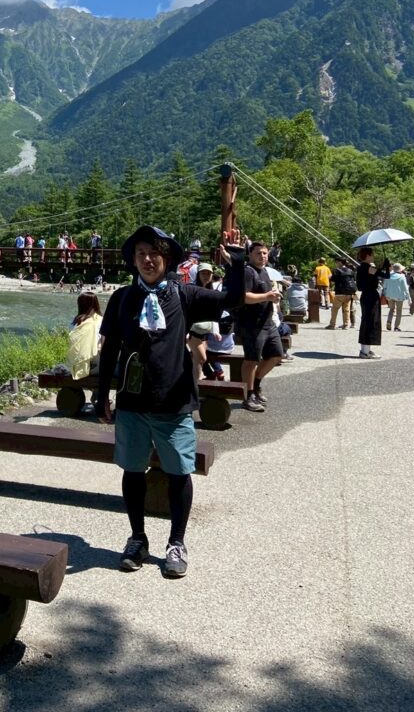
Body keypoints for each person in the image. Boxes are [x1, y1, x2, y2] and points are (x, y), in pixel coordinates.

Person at [97, 225, 244, 578]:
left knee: (179, 473)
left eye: (154, 254)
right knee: (133, 471)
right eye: (141, 254)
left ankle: (176, 542)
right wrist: (101, 395)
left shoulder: (184, 295)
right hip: (132, 403)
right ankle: (137, 538)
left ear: (166, 259)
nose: (147, 260)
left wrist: (237, 264)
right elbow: (110, 350)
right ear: (133, 261)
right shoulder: (122, 298)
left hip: (174, 402)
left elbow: (233, 300)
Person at [238, 241, 286, 412]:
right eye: (258, 253)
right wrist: (267, 296)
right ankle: (248, 395)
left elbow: (266, 294)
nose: (262, 256)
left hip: (268, 322)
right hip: (252, 324)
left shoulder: (265, 271)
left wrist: (274, 296)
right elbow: (244, 297)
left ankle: (256, 384)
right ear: (250, 255)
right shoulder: (247, 272)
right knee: (251, 360)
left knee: (276, 355)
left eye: (265, 253)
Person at [356, 247, 389, 358]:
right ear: (368, 255)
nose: (373, 256)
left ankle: (365, 349)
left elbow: (361, 285)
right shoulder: (368, 268)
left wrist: (383, 267)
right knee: (371, 321)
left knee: (367, 320)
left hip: (366, 296)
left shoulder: (361, 267)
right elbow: (386, 276)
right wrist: (386, 267)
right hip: (371, 297)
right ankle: (365, 351)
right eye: (372, 254)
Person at [67, 292, 102, 381]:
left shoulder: (75, 322)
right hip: (96, 367)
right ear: (96, 304)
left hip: (74, 366)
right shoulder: (100, 321)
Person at [327, 258, 356, 329]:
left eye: (336, 262)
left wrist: (330, 277)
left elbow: (333, 279)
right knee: (346, 309)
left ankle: (332, 324)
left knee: (334, 309)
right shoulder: (350, 270)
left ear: (340, 262)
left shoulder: (336, 270)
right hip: (349, 293)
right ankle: (346, 325)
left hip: (340, 292)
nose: (336, 263)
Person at [383, 262, 409, 332]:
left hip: (389, 295)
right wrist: (408, 297)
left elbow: (384, 286)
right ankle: (396, 327)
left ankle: (389, 321)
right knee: (399, 311)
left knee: (391, 309)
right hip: (399, 296)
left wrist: (385, 294)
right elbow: (405, 288)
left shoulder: (388, 276)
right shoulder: (402, 276)